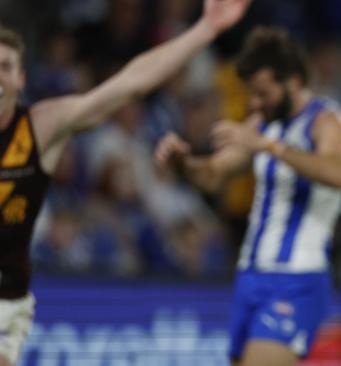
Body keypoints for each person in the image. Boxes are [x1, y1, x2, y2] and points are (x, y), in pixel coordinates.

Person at [0, 1, 250, 365]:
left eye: (6, 67)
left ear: (22, 79)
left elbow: (128, 84)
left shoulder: (39, 129)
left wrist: (205, 29)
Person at [154, 26, 341, 366]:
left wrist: (270, 147)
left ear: (291, 81)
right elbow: (214, 174)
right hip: (250, 273)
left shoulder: (327, 121)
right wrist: (183, 164)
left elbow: (339, 174)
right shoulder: (263, 122)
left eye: (263, 93)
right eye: (252, 94)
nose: (255, 103)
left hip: (297, 277)